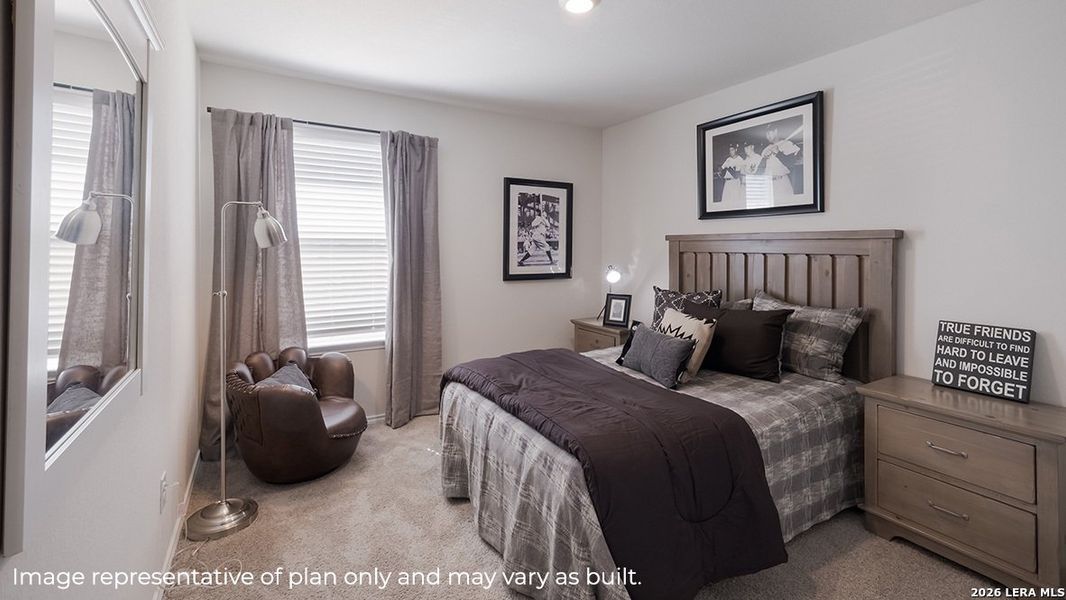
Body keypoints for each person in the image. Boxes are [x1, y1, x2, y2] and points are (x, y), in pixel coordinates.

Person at [761, 126, 801, 203]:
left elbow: (793, 162)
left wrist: (778, 152)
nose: (767, 136)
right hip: (768, 184)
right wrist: (764, 159)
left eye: (769, 132)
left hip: (781, 182)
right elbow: (761, 169)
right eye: (766, 134)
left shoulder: (787, 144)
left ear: (776, 131)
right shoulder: (766, 149)